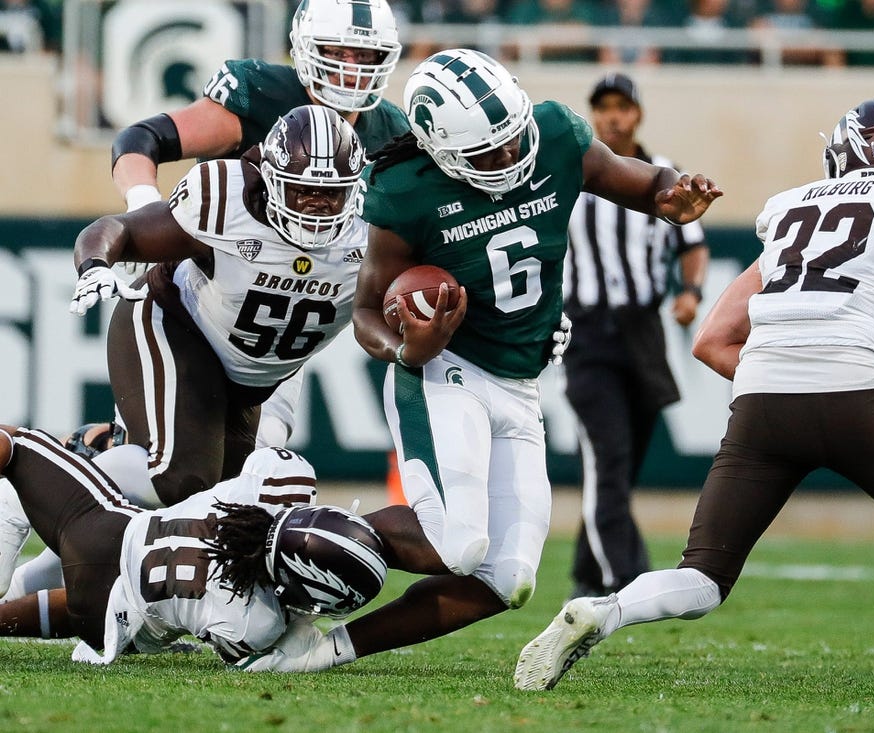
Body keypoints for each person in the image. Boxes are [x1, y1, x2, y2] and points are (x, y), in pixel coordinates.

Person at [513, 98, 874, 703]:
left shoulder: (792, 214)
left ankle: (603, 611)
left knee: (703, 577)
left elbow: (713, 341)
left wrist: (783, 373)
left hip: (762, 399)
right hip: (854, 390)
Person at [236, 48, 722, 672]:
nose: (510, 158)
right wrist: (411, 347)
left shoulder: (552, 133)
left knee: (507, 580)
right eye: (488, 153)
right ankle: (270, 540)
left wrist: (670, 195)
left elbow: (638, 179)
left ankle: (325, 648)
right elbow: (363, 312)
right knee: (459, 543)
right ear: (439, 148)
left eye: (512, 138)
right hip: (444, 372)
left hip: (520, 383)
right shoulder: (406, 188)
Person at [0, 104, 369, 610]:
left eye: (330, 195)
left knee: (217, 512)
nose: (315, 207)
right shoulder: (227, 200)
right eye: (302, 189)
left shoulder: (375, 231)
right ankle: (27, 472)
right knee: (178, 477)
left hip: (253, 378)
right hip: (174, 325)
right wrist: (95, 264)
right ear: (269, 176)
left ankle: (30, 586)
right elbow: (121, 228)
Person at [110, 0, 407, 451]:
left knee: (260, 458)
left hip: (284, 313)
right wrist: (142, 206)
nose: (351, 69)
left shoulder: (391, 134)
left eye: (365, 56)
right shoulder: (262, 93)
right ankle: (80, 460)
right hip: (201, 299)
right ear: (305, 47)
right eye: (338, 52)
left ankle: (92, 447)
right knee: (153, 456)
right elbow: (141, 138)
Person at [0, 428, 386, 662]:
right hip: (108, 621)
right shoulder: (258, 625)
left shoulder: (275, 480)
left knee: (16, 445)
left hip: (106, 536)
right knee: (115, 609)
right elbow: (233, 646)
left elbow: (267, 461)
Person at [562, 73, 709, 598]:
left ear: (638, 114)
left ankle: (586, 570)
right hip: (588, 331)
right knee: (608, 456)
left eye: (622, 106)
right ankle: (624, 580)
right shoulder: (571, 170)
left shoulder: (660, 174)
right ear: (593, 113)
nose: (613, 116)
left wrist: (691, 291)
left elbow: (693, 242)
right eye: (603, 106)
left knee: (622, 464)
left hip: (643, 331)